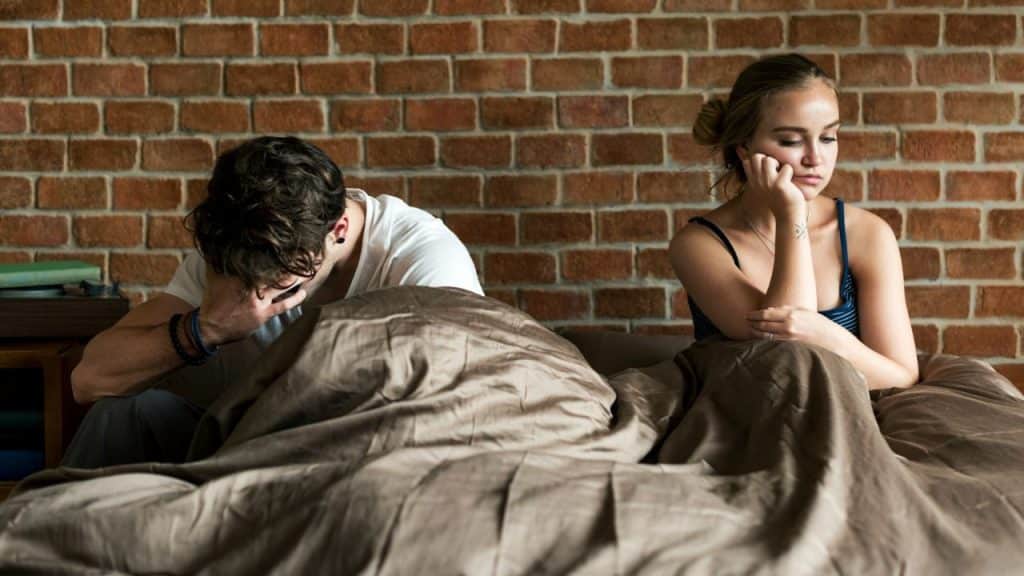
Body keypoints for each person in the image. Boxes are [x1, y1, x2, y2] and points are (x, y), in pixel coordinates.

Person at [65, 136, 483, 467]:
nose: (256, 289)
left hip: (353, 456)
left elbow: (453, 416)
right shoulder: (241, 250)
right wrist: (205, 328)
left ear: (339, 229)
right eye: (244, 275)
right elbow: (90, 380)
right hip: (246, 448)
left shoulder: (422, 261)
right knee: (126, 416)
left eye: (276, 276)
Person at [669, 53, 918, 391]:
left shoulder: (867, 234)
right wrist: (791, 216)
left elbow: (901, 375)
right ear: (744, 148)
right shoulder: (698, 245)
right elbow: (785, 356)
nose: (815, 159)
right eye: (790, 140)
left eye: (828, 137)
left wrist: (827, 335)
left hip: (853, 413)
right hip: (751, 415)